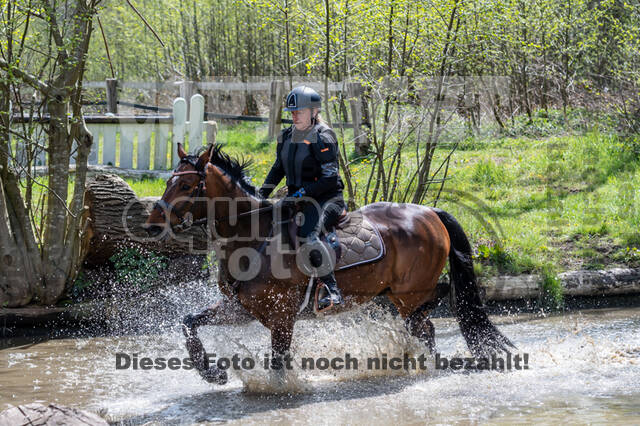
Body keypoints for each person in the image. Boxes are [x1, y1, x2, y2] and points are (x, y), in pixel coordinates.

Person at [258, 85, 346, 308]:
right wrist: (260, 194)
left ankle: (332, 290)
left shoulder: (324, 137)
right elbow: (278, 169)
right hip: (298, 199)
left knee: (308, 235)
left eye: (299, 111)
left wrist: (299, 193)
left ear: (314, 112)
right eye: (292, 112)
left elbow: (329, 178)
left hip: (327, 199)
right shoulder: (286, 136)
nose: (294, 115)